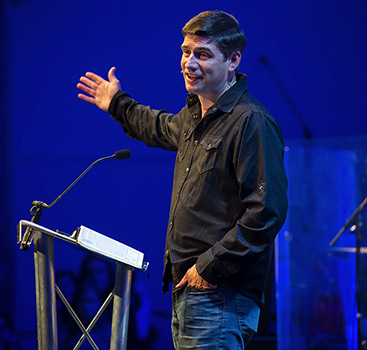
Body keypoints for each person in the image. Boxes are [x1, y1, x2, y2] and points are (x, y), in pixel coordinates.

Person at [77, 10, 288, 350]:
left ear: (233, 60)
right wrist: (117, 103)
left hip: (218, 294)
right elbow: (158, 126)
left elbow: (266, 213)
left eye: (202, 54)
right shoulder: (197, 115)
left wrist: (207, 268)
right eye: (186, 51)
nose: (189, 63)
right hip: (193, 293)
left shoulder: (251, 122)